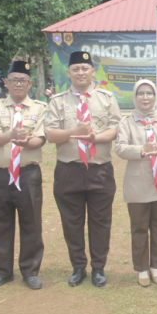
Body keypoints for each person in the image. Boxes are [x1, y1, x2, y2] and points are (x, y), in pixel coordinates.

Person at [46, 51, 122, 287]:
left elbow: (115, 129)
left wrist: (95, 138)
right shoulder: (58, 101)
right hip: (69, 170)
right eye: (76, 69)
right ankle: (78, 266)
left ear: (92, 72)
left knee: (101, 221)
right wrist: (74, 132)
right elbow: (50, 134)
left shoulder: (106, 98)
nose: (80, 73)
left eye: (85, 68)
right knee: (72, 222)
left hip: (99, 169)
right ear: (68, 72)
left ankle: (98, 267)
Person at [0, 61, 47, 290]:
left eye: (23, 80)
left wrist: (27, 141)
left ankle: (30, 271)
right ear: (6, 83)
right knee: (0, 225)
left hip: (28, 174)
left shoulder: (39, 108)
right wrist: (11, 135)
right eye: (14, 80)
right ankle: (3, 272)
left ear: (30, 84)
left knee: (32, 224)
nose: (18, 84)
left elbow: (40, 138)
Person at [115, 79, 157, 287]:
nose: (145, 97)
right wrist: (141, 150)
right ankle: (142, 268)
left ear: (155, 96)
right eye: (141, 93)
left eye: (149, 93)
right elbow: (120, 148)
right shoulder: (126, 122)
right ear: (134, 97)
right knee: (139, 227)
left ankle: (156, 266)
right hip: (138, 183)